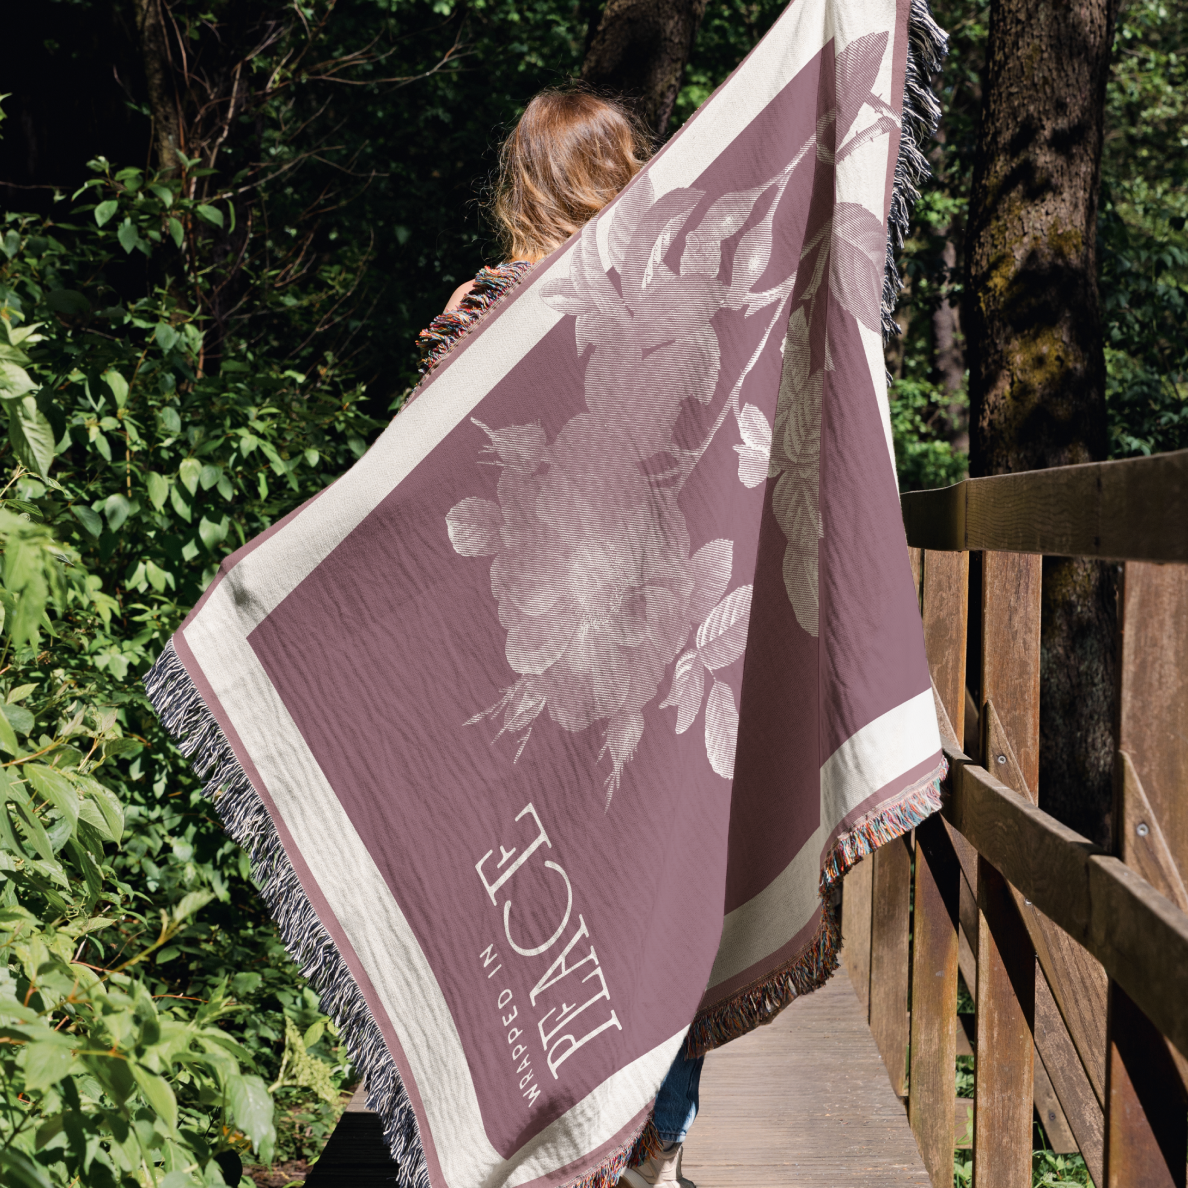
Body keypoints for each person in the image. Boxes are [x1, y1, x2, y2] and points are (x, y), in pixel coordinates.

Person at [411, 88, 703, 1188]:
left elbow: (423, 479)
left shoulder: (477, 308)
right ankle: (652, 1146)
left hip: (514, 648)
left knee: (522, 892)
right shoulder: (669, 312)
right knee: (654, 892)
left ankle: (519, 1133)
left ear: (524, 178)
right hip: (641, 644)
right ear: (626, 173)